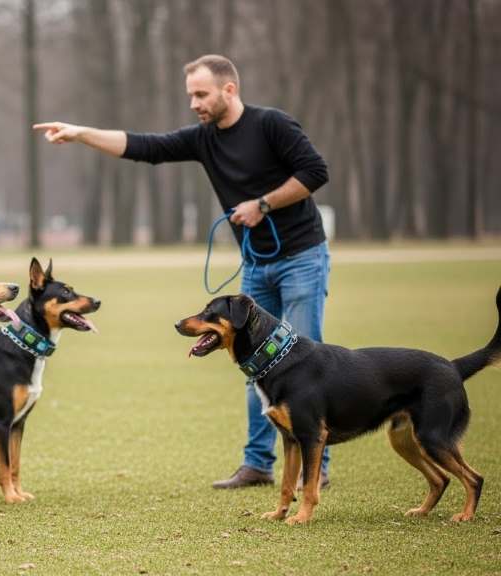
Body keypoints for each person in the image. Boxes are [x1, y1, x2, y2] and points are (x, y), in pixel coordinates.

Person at [33, 54, 331, 489]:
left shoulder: (273, 125)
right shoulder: (203, 139)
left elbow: (315, 172)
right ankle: (257, 463)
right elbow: (143, 147)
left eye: (201, 94)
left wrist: (262, 204)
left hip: (302, 258)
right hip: (256, 265)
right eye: (190, 94)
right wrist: (80, 134)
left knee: (305, 367)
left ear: (229, 90)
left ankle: (314, 469)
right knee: (254, 365)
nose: (193, 103)